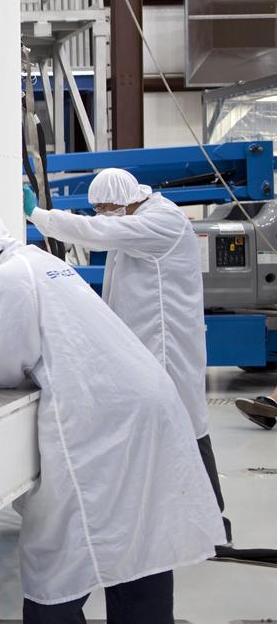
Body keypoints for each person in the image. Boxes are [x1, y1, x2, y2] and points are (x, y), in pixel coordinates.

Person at [0, 210, 223, 624]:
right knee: (141, 545)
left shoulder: (4, 280)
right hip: (141, 407)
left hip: (103, 422)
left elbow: (0, 368)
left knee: (55, 553)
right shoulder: (37, 261)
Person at [24, 168, 231, 543]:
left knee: (186, 425)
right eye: (99, 210)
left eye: (107, 208)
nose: (103, 216)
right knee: (164, 426)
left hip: (167, 347)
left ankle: (213, 524)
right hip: (145, 345)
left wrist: (39, 216)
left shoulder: (160, 221)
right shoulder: (138, 218)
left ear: (125, 200)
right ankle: (177, 516)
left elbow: (99, 233)